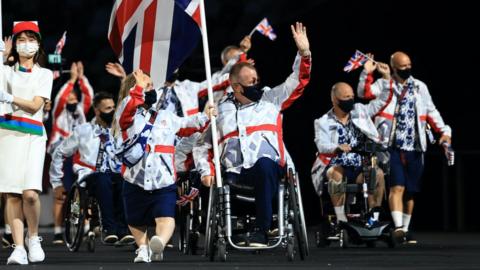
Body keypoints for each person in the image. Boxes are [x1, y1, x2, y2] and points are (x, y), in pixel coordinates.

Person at [195, 22, 311, 247]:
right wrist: (205, 171)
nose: (256, 85)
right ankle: (227, 229)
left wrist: (304, 53)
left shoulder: (271, 100)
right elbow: (201, 145)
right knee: (218, 179)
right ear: (236, 87)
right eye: (251, 82)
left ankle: (262, 230)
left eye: (257, 81)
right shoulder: (218, 109)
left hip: (267, 170)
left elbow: (298, 81)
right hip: (232, 173)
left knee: (265, 163)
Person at [115, 70, 215, 263]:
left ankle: (158, 242)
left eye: (152, 86)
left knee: (166, 215)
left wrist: (206, 115)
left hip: (164, 178)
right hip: (135, 177)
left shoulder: (166, 116)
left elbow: (187, 123)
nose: (152, 89)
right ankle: (142, 249)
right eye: (148, 86)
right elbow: (128, 110)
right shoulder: (126, 114)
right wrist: (138, 88)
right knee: (135, 220)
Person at [357, 52, 452, 244]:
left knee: (410, 190)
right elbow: (364, 93)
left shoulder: (419, 87)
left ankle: (405, 231)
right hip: (391, 144)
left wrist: (444, 131)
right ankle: (398, 227)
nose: (407, 68)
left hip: (415, 145)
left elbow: (431, 110)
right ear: (394, 67)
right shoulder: (385, 84)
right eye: (403, 66)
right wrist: (366, 73)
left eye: (409, 64)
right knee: (397, 186)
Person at [49, 92, 134, 245]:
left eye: (114, 108)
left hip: (114, 174)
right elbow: (59, 152)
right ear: (97, 110)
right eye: (108, 108)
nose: (113, 111)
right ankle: (109, 229)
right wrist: (56, 182)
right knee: (102, 178)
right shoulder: (83, 131)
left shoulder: (120, 131)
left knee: (123, 180)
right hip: (90, 176)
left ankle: (123, 230)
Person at [0, 21, 53, 265]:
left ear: (38, 44)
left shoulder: (44, 74)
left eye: (31, 39)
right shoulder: (5, 72)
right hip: (7, 134)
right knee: (11, 193)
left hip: (32, 135)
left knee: (30, 193)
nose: (26, 44)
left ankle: (33, 238)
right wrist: (2, 56)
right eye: (21, 39)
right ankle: (18, 247)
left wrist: (10, 97)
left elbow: (34, 105)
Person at [312, 81, 391, 226]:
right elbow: (321, 144)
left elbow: (382, 101)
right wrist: (336, 148)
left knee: (378, 174)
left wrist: (386, 78)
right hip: (336, 164)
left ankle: (374, 218)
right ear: (335, 100)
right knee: (336, 173)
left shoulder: (359, 111)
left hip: (360, 164)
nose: (350, 100)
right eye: (346, 97)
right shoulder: (322, 122)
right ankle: (341, 219)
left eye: (352, 96)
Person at [48, 61, 94, 245]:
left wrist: (81, 79)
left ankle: (85, 228)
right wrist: (72, 79)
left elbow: (89, 96)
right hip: (61, 155)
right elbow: (60, 98)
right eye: (70, 99)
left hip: (78, 156)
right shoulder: (58, 112)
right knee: (62, 195)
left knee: (82, 192)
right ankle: (58, 232)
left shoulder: (82, 112)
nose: (72, 102)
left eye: (75, 99)